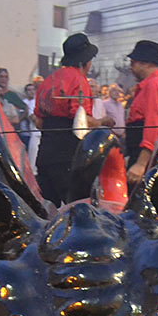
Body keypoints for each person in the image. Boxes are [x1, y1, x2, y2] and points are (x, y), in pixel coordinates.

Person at [35, 33, 105, 205]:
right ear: (85, 61)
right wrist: (104, 122)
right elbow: (80, 120)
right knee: (77, 207)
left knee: (47, 209)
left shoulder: (47, 81)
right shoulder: (79, 81)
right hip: (67, 154)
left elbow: (38, 122)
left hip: (45, 153)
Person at [125, 39, 158, 186]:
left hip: (147, 158)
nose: (130, 67)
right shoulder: (154, 83)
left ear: (146, 63)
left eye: (133, 63)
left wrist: (141, 164)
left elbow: (154, 124)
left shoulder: (155, 84)